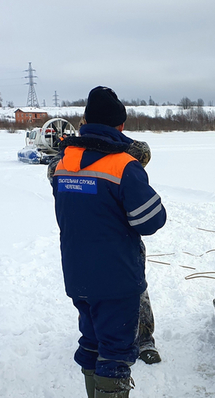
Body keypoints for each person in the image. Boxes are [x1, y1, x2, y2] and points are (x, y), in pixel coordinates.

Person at [50, 86, 166, 398]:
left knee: (92, 339)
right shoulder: (123, 165)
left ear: (85, 122)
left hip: (77, 272)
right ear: (121, 123)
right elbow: (150, 219)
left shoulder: (63, 162)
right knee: (116, 348)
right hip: (116, 275)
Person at [48, 129, 162, 366]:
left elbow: (143, 151)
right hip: (103, 248)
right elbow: (151, 220)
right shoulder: (65, 160)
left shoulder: (114, 155)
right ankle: (116, 349)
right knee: (118, 299)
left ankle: (143, 339)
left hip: (90, 250)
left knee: (128, 295)